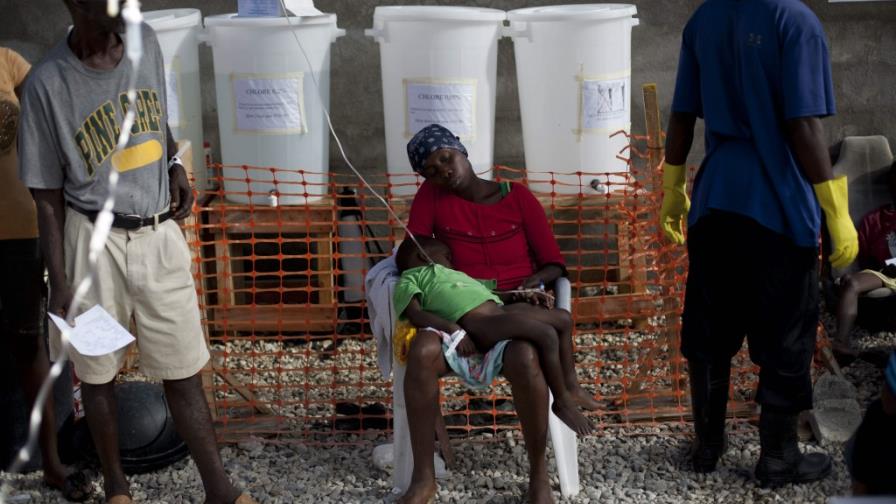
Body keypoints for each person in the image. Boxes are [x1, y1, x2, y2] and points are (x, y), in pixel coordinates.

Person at [17, 2, 256, 503]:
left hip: (158, 234)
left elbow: (155, 115)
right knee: (98, 373)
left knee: (183, 370)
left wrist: (173, 163)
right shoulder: (46, 84)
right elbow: (46, 196)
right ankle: (117, 489)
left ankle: (219, 490)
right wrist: (59, 281)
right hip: (91, 244)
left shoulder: (145, 39)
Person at [661, 0, 858, 487]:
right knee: (786, 333)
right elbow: (802, 124)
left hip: (716, 199)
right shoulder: (795, 21)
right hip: (778, 203)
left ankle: (707, 447)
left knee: (709, 329)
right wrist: (836, 210)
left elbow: (682, 114)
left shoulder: (704, 19)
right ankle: (778, 457)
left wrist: (673, 187)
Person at [397, 123, 592, 504]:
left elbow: (554, 264)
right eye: (431, 171)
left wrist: (534, 282)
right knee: (421, 351)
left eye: (446, 159)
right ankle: (423, 479)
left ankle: (539, 476)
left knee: (526, 354)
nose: (443, 172)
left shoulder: (517, 197)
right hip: (456, 311)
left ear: (461, 150)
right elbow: (413, 254)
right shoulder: (431, 197)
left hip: (512, 303)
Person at [0, 46, 93, 502]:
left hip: (20, 231)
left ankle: (53, 464)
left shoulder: (7, 61)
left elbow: (54, 112)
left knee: (28, 343)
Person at [394, 236, 595, 435]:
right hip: (480, 323)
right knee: (546, 333)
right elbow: (415, 314)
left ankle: (572, 386)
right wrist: (453, 329)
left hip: (499, 311)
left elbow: (494, 292)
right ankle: (561, 401)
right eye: (447, 256)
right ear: (423, 256)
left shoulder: (456, 275)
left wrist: (520, 295)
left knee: (563, 318)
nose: (451, 262)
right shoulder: (411, 278)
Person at [834, 162, 896, 358]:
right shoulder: (874, 220)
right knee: (852, 283)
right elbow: (865, 258)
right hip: (885, 273)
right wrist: (885, 267)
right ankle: (841, 343)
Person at [845, 350, 896, 495]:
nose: (885, 395)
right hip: (877, 488)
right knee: (854, 446)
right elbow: (860, 477)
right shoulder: (877, 415)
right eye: (887, 384)